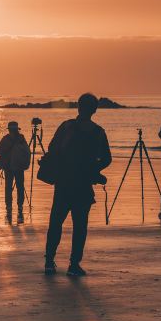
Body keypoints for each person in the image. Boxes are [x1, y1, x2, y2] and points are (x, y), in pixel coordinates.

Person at [44, 93, 111, 277]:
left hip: (64, 182)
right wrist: (92, 169)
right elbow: (107, 159)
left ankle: (49, 261)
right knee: (80, 226)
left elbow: (52, 148)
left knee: (56, 223)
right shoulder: (98, 132)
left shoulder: (67, 127)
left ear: (78, 107)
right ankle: (74, 264)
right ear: (94, 110)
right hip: (83, 185)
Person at [0, 121, 30, 219]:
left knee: (8, 186)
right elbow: (26, 151)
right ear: (17, 129)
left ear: (9, 129)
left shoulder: (6, 139)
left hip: (8, 166)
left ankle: (9, 206)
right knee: (20, 186)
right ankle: (20, 206)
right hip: (19, 166)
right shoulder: (21, 138)